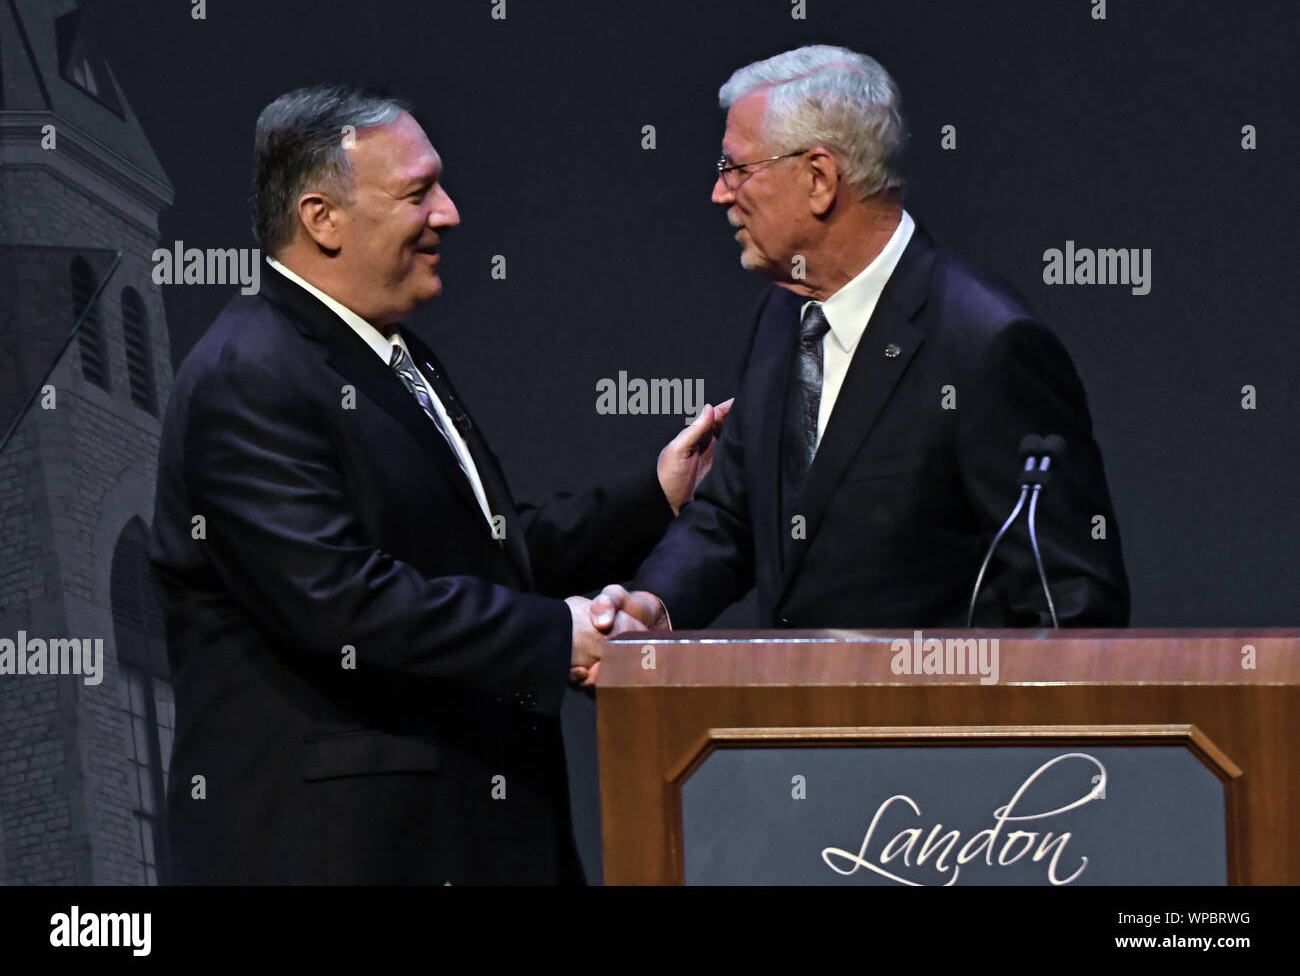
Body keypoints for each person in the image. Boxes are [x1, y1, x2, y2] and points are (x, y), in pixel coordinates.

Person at [148, 86, 725, 885]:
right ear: (322, 218)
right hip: (346, 856)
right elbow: (342, 599)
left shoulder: (394, 355)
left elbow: (485, 556)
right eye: (419, 191)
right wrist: (557, 636)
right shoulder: (246, 375)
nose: (449, 213)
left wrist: (655, 495)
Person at [593, 45, 1129, 635]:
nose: (720, 194)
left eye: (737, 168)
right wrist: (654, 606)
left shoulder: (986, 345)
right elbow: (733, 515)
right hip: (791, 728)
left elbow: (1072, 607)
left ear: (819, 179)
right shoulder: (781, 316)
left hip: (927, 726)